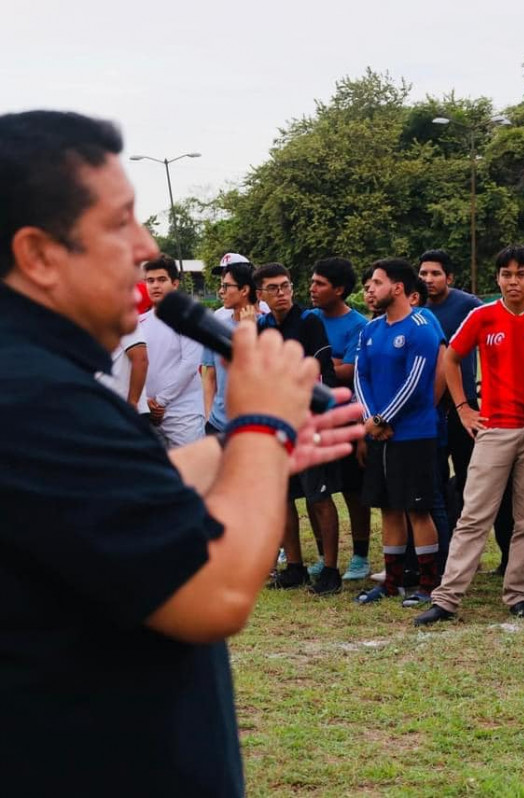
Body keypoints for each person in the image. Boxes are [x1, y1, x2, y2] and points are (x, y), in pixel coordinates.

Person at [0, 109, 361, 795]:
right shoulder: (32, 395)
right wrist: (260, 427)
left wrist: (241, 450)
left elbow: (108, 498)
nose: (146, 247)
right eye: (119, 223)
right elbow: (212, 594)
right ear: (39, 254)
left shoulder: (36, 376)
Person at [415, 244, 524, 625]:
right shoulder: (482, 315)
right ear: (497, 278)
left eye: (521, 274)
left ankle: (519, 594)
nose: (513, 281)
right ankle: (447, 598)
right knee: (474, 515)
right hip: (495, 427)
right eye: (506, 275)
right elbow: (451, 358)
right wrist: (464, 407)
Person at [352, 258, 445, 607]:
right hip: (379, 433)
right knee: (388, 507)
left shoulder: (421, 326)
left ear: (398, 287)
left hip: (414, 434)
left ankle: (428, 583)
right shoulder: (371, 330)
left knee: (417, 510)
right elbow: (361, 376)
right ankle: (392, 582)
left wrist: (382, 418)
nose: (370, 289)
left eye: (377, 282)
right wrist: (370, 419)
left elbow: (416, 382)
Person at [256, 263, 343, 594]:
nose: (281, 293)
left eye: (285, 286)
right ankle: (295, 567)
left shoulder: (309, 322)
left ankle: (331, 570)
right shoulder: (261, 327)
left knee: (318, 496)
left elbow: (323, 374)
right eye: (273, 288)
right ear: (260, 294)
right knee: (281, 496)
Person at [307, 256, 374, 581]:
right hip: (311, 419)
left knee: (352, 489)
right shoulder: (308, 319)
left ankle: (360, 556)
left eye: (319, 283)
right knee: (314, 491)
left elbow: (349, 371)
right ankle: (324, 555)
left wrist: (320, 363)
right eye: (312, 281)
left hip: (346, 418)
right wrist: (329, 361)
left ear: (339, 289)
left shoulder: (358, 325)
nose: (312, 288)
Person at [419, 249, 482, 516]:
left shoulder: (469, 305)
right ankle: (442, 531)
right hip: (429, 405)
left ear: (450, 278)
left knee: (469, 472)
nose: (428, 279)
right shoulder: (415, 307)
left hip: (463, 403)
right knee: (434, 473)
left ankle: (466, 528)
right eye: (423, 273)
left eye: (435, 273)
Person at [140, 254, 205, 447]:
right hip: (148, 415)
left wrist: (160, 402)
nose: (155, 286)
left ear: (175, 284)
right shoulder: (138, 323)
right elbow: (133, 365)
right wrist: (145, 402)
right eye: (150, 280)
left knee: (189, 467)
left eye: (162, 280)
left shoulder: (188, 319)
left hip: (184, 415)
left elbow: (190, 365)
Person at [202, 259, 258, 435]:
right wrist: (208, 415)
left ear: (244, 290)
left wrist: (250, 333)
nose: (221, 291)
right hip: (217, 426)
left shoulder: (267, 328)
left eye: (226, 286)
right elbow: (209, 376)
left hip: (253, 428)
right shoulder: (215, 328)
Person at [99, 325, 149, 417]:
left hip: (124, 407)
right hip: (105, 406)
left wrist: (132, 403)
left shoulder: (123, 320)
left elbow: (141, 359)